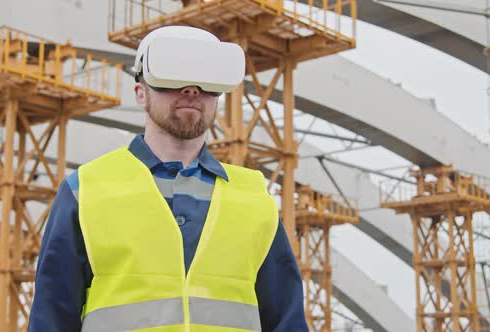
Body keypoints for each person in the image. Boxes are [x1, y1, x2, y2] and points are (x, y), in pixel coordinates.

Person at [29, 25, 308, 332]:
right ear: (140, 93)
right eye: (172, 77)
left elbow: (287, 321)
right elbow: (51, 319)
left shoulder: (254, 198)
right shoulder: (85, 191)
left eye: (205, 81)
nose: (191, 89)